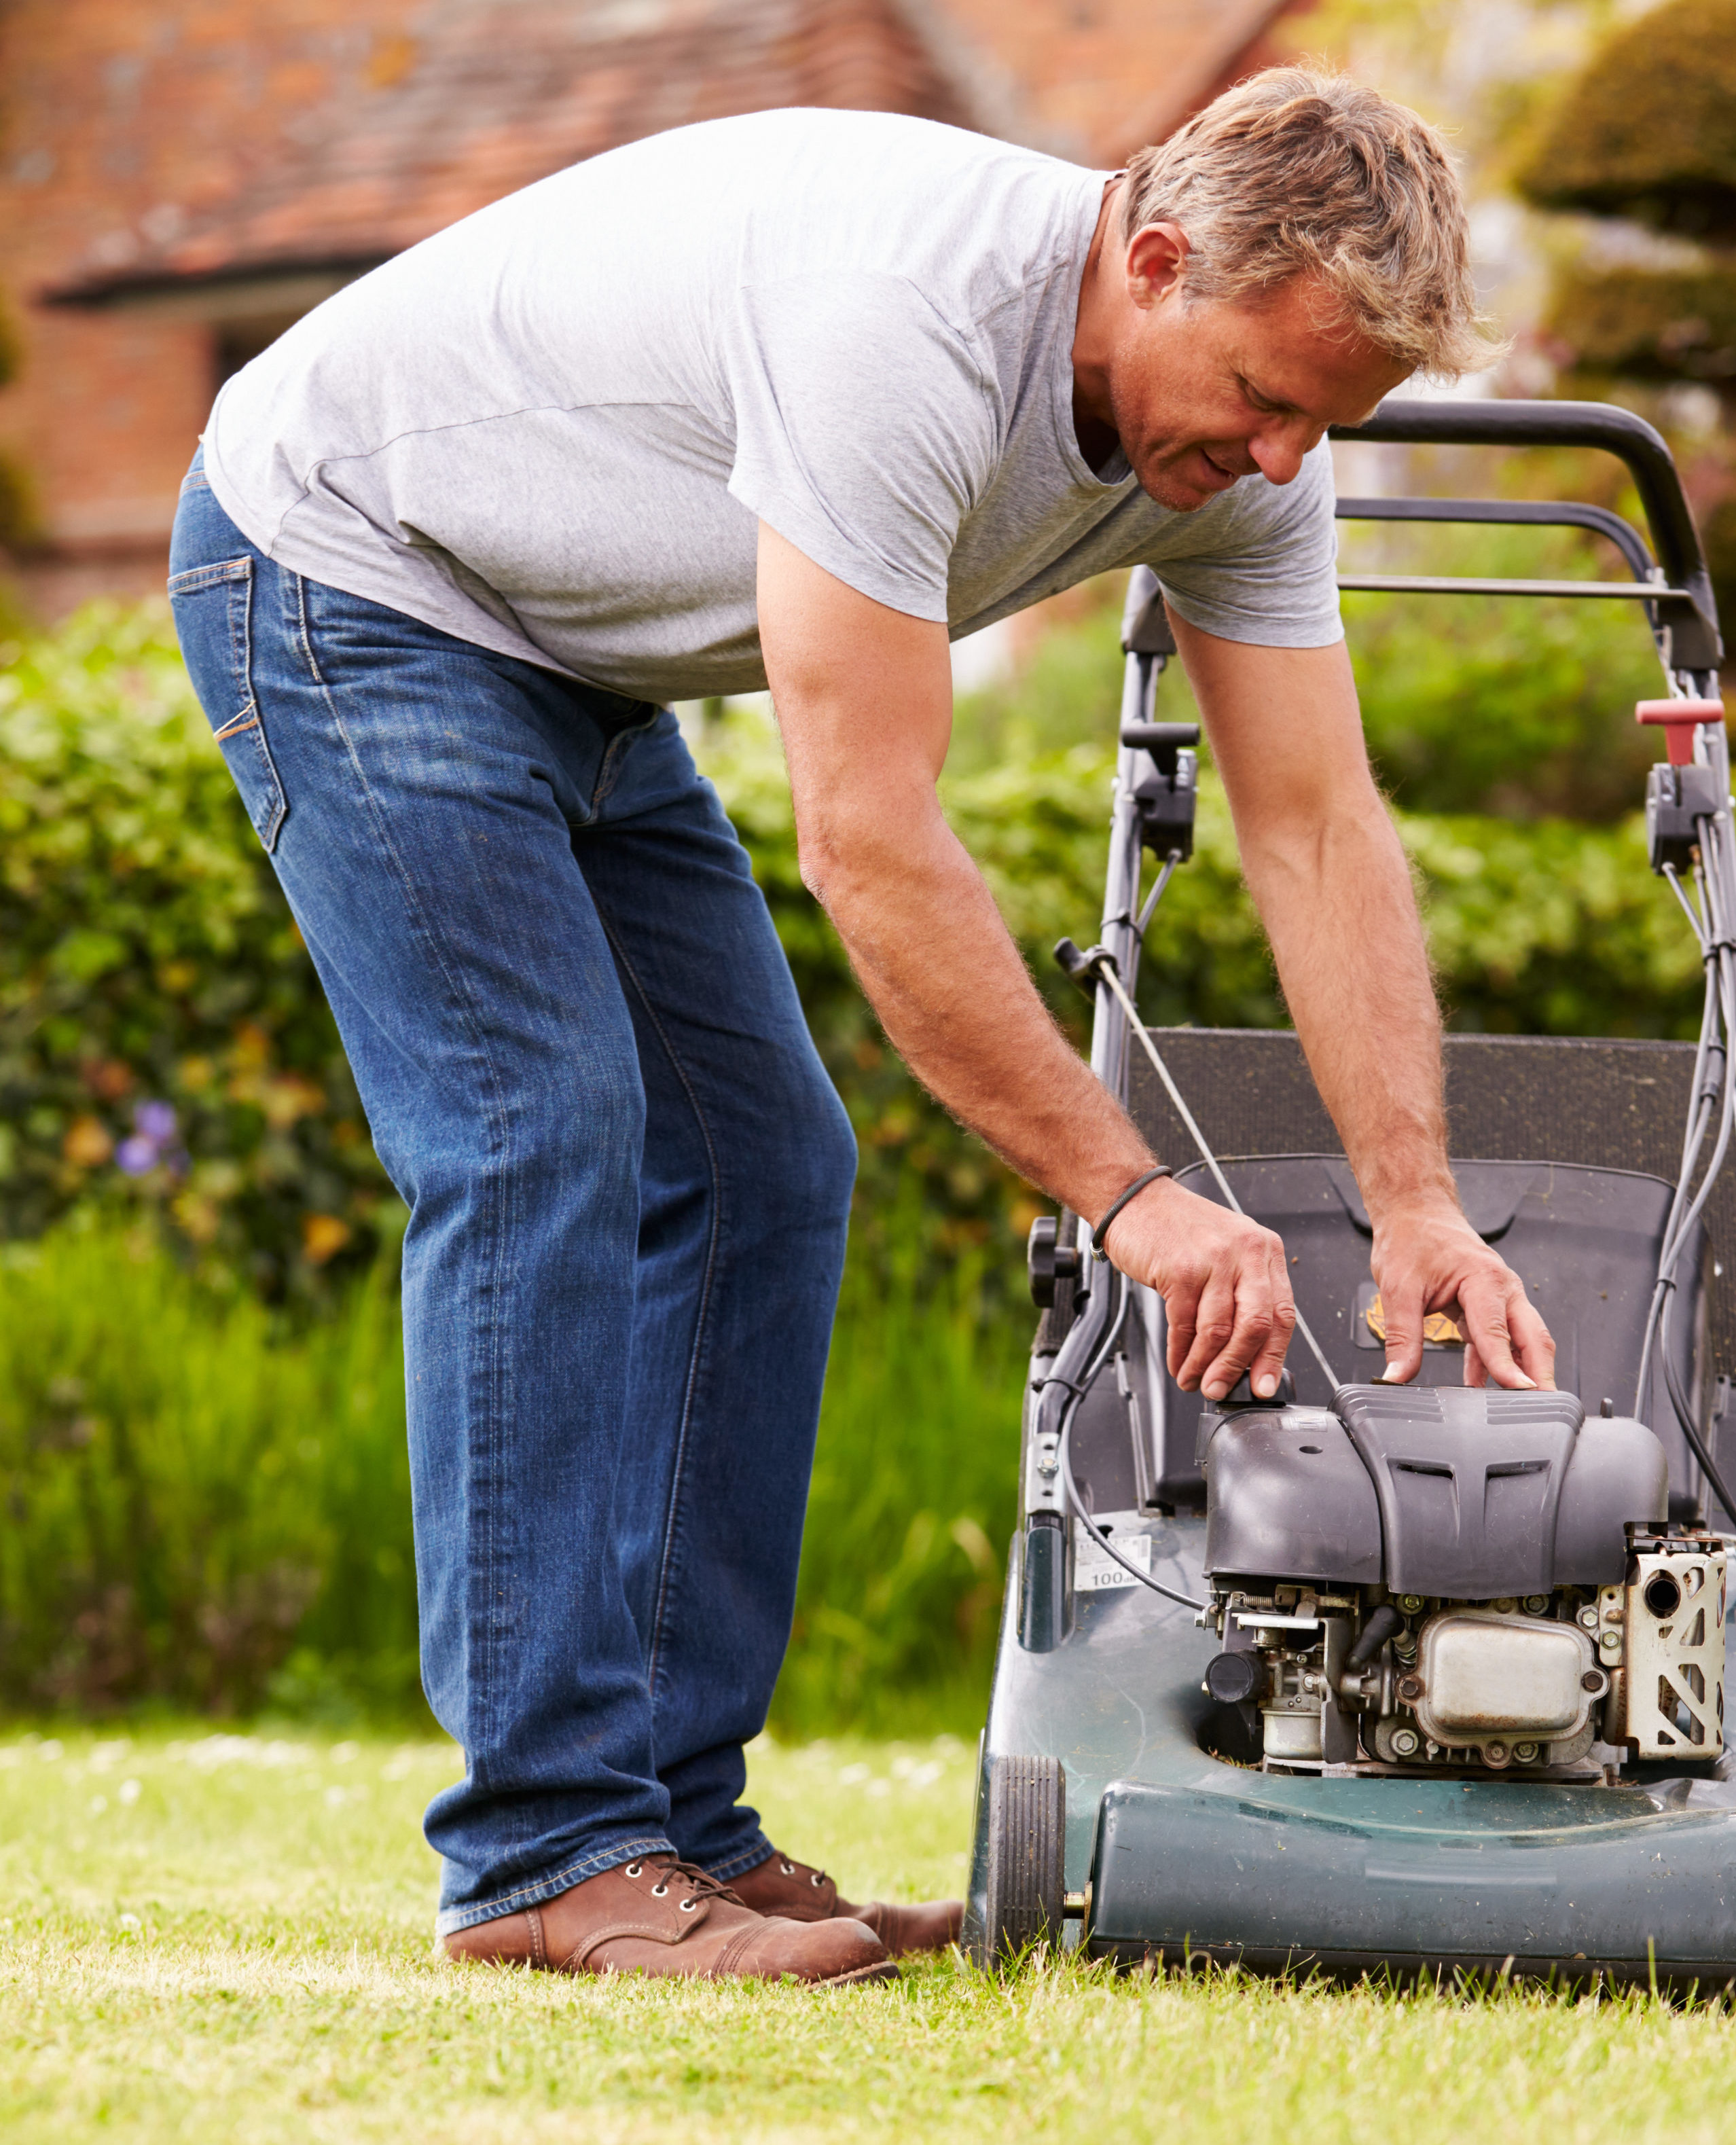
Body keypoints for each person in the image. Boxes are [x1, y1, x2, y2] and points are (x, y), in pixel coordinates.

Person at [168, 65, 1556, 1989]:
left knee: (766, 1162)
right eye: (1263, 401)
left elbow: (1316, 828)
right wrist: (1131, 1197)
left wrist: (1416, 1201)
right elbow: (874, 839)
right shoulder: (905, 321)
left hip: (562, 657)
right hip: (347, 567)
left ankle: (683, 1829)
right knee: (541, 1133)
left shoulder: (1253, 460)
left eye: (1324, 425)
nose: (1281, 461)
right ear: (1154, 260)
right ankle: (543, 1855)